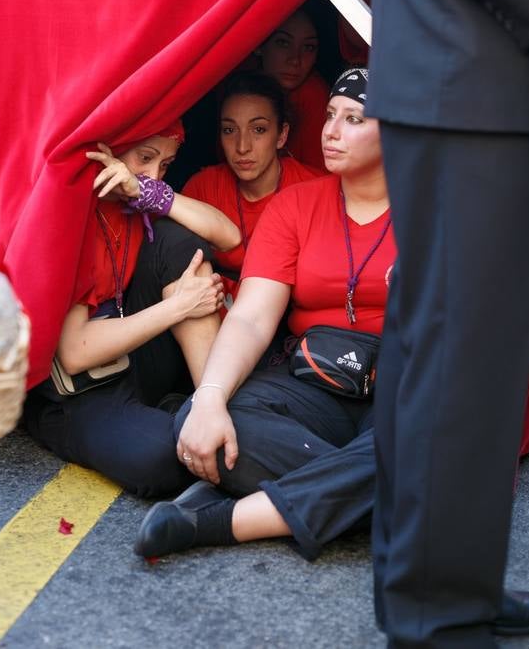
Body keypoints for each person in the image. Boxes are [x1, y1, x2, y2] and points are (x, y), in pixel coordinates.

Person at [338, 0, 529, 645]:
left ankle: (445, 586)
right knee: (461, 350)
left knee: (460, 350)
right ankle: (437, 615)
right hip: (471, 52)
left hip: (483, 57)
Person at [134, 69, 396, 560]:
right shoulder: (296, 204)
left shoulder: (434, 211)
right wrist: (211, 397)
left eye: (354, 119)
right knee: (201, 415)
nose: (331, 132)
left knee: (426, 435)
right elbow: (251, 318)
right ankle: (372, 483)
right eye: (330, 115)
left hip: (402, 383)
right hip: (314, 376)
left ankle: (218, 520)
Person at [24, 121, 241, 497]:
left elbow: (229, 235)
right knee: (164, 460)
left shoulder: (137, 199)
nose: (154, 174)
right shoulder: (72, 209)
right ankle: (48, 421)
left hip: (131, 352)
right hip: (81, 387)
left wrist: (148, 192)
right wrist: (178, 307)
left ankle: (212, 404)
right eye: (145, 158)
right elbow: (74, 354)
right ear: (112, 150)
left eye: (165, 165)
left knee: (179, 242)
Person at [182, 72, 322, 311]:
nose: (242, 147)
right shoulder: (203, 188)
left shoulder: (314, 190)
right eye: (229, 130)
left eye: (258, 129)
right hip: (214, 313)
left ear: (282, 135)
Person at [254, 5, 330, 169]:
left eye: (308, 47)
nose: (295, 60)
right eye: (283, 43)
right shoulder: (238, 84)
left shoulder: (312, 95)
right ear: (259, 44)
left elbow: (319, 175)